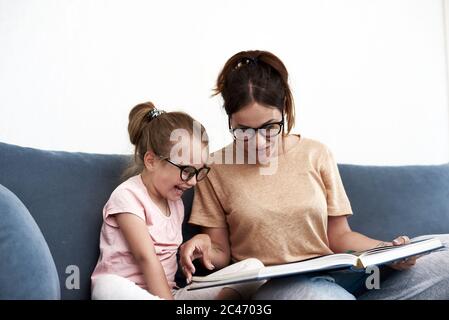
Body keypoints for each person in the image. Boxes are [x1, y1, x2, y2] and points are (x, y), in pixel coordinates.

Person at [179, 50, 449, 299]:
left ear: (285, 109)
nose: (259, 142)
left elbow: (339, 236)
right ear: (229, 120)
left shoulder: (316, 153)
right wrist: (202, 243)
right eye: (243, 131)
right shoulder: (215, 168)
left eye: (269, 127)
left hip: (343, 277)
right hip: (277, 287)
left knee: (443, 258)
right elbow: (220, 254)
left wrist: (389, 251)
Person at [91, 101, 264, 300]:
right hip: (127, 292)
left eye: (199, 172)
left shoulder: (175, 203)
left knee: (253, 269)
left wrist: (195, 248)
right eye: (186, 171)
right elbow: (146, 258)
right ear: (151, 161)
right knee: (107, 286)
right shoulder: (128, 196)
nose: (192, 181)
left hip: (167, 294)